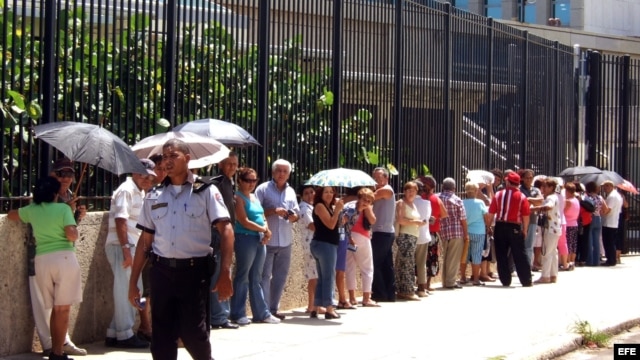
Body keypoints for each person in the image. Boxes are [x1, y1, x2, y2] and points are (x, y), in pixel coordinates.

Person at [127, 139, 234, 360]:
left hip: (194, 274)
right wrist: (133, 281)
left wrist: (225, 272)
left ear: (187, 159)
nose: (167, 161)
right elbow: (145, 241)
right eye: (164, 157)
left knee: (194, 335)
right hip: (162, 272)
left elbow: (226, 230)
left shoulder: (205, 190)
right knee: (162, 340)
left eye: (173, 156)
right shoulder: (154, 195)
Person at [9, 176, 81, 360]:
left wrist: (33, 206)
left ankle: (55, 351)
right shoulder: (63, 209)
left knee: (53, 309)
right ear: (56, 193)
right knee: (62, 309)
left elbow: (12, 215)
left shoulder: (32, 210)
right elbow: (71, 235)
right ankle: (57, 352)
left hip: (42, 260)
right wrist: (72, 214)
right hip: (64, 259)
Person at [25, 159, 87, 357]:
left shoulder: (69, 197)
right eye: (62, 174)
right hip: (40, 254)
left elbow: (68, 228)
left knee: (61, 305)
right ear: (53, 175)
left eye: (70, 174)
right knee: (46, 305)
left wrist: (77, 216)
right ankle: (50, 345)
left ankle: (62, 342)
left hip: (62, 253)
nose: (67, 178)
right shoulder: (42, 196)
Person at [104, 159, 157, 348]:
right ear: (135, 172)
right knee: (129, 290)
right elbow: (121, 220)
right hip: (123, 246)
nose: (148, 180)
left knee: (128, 289)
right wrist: (126, 249)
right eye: (144, 175)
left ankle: (114, 332)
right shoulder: (127, 189)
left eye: (150, 177)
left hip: (129, 246)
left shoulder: (138, 191)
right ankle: (125, 335)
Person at [230, 167, 281, 325]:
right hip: (245, 237)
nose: (251, 184)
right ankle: (238, 313)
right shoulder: (237, 198)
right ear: (240, 181)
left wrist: (266, 230)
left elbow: (262, 216)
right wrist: (263, 229)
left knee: (256, 277)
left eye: (254, 180)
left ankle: (261, 313)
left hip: (259, 238)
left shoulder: (254, 197)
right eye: (248, 180)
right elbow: (243, 220)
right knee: (243, 275)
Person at [255, 159, 299, 320]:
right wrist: (273, 211)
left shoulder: (291, 192)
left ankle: (274, 308)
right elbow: (255, 212)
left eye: (285, 171)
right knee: (265, 276)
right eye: (278, 171)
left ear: (288, 174)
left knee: (280, 276)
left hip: (285, 240)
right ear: (273, 172)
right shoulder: (263, 189)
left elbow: (296, 215)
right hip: (268, 240)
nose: (281, 174)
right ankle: (264, 310)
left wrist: (293, 216)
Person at [207, 152, 240, 330]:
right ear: (221, 164)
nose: (232, 168)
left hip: (228, 234)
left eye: (235, 165)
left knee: (224, 272)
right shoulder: (216, 182)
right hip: (217, 233)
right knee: (219, 274)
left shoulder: (229, 183)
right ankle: (218, 316)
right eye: (229, 164)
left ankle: (221, 315)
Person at [487, 171, 532, 287]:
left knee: (501, 254)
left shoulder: (498, 195)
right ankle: (526, 280)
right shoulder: (522, 197)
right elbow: (526, 216)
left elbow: (491, 213)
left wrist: (488, 226)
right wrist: (525, 230)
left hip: (500, 226)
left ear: (508, 181)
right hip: (515, 227)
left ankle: (505, 280)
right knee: (520, 254)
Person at [309, 186, 344, 320]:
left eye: (331, 192)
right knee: (329, 276)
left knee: (323, 277)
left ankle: (316, 306)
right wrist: (338, 211)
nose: (329, 194)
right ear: (320, 194)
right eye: (326, 192)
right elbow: (330, 224)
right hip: (324, 245)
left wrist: (338, 213)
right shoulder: (319, 206)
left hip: (326, 244)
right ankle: (329, 308)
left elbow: (334, 224)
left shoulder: (329, 207)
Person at [343, 187, 378, 307]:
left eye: (369, 201)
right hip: (360, 237)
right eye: (365, 200)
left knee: (350, 267)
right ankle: (366, 298)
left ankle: (352, 298)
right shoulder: (357, 208)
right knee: (367, 268)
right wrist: (368, 208)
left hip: (347, 237)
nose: (366, 203)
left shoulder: (349, 204)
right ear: (359, 198)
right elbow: (373, 220)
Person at [370, 167, 397, 302]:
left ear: (386, 178)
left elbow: (370, 198)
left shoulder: (387, 189)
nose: (377, 180)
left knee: (374, 263)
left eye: (379, 177)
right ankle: (389, 293)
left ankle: (380, 292)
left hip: (383, 232)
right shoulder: (379, 190)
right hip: (382, 232)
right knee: (386, 264)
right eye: (375, 177)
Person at [394, 181, 424, 300]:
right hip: (405, 236)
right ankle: (407, 290)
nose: (411, 193)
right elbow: (401, 220)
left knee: (408, 263)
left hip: (413, 236)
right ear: (405, 191)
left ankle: (404, 289)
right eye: (409, 190)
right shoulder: (402, 203)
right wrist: (416, 222)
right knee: (406, 263)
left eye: (413, 190)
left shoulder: (413, 204)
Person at [438, 178, 468, 289]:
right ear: (454, 188)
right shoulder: (457, 200)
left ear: (442, 186)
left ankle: (444, 281)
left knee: (444, 257)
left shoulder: (437, 198)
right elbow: (463, 218)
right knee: (453, 258)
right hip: (456, 231)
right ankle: (450, 281)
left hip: (441, 231)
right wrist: (466, 234)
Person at [530, 178, 562, 284]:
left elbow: (549, 206)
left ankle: (545, 276)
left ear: (551, 187)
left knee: (546, 252)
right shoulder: (555, 196)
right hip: (555, 227)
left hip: (550, 228)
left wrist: (535, 209)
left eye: (545, 186)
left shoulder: (550, 198)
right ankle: (553, 275)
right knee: (553, 252)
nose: (543, 188)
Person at [419, 176, 447, 291]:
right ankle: (428, 284)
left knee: (421, 259)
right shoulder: (436, 199)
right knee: (432, 258)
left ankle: (419, 282)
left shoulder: (419, 198)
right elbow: (444, 214)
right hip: (433, 233)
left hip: (420, 232)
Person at [462, 182, 491, 286]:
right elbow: (486, 216)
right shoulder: (480, 203)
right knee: (476, 255)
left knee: (464, 255)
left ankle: (462, 277)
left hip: (465, 232)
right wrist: (488, 227)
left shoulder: (462, 202)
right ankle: (475, 279)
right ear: (476, 191)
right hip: (479, 232)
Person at [298, 184, 320, 313]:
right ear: (302, 196)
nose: (310, 195)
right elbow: (312, 226)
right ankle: (313, 305)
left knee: (314, 275)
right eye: (306, 193)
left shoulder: (311, 207)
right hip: (310, 244)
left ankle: (313, 304)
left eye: (312, 192)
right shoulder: (304, 208)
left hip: (313, 244)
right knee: (314, 276)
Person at [519, 169, 543, 268]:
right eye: (527, 178)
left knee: (529, 245)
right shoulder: (520, 189)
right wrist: (533, 202)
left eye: (531, 178)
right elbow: (522, 203)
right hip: (521, 220)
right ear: (523, 178)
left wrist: (528, 199)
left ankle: (527, 266)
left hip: (533, 220)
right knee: (520, 244)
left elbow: (540, 201)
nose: (529, 180)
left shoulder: (536, 190)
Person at [413, 179, 432, 297]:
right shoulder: (426, 203)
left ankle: (409, 286)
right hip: (423, 235)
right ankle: (421, 287)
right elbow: (428, 217)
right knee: (421, 263)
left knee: (409, 262)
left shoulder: (406, 202)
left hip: (410, 234)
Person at [584, 181, 609, 267]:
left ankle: (590, 260)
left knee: (589, 240)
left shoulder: (587, 197)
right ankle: (596, 260)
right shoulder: (600, 198)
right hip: (598, 218)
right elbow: (606, 209)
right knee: (597, 240)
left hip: (591, 218)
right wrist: (600, 212)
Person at [601, 180, 622, 266]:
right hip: (612, 222)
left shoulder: (612, 197)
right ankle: (611, 259)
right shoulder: (616, 195)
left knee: (608, 242)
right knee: (610, 242)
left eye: (606, 186)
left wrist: (602, 204)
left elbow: (607, 210)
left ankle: (611, 260)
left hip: (609, 222)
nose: (604, 188)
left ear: (610, 186)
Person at [563, 182, 580, 269]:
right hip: (574, 224)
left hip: (568, 224)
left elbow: (563, 212)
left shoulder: (568, 201)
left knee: (568, 243)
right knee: (573, 243)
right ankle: (572, 261)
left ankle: (568, 261)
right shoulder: (576, 200)